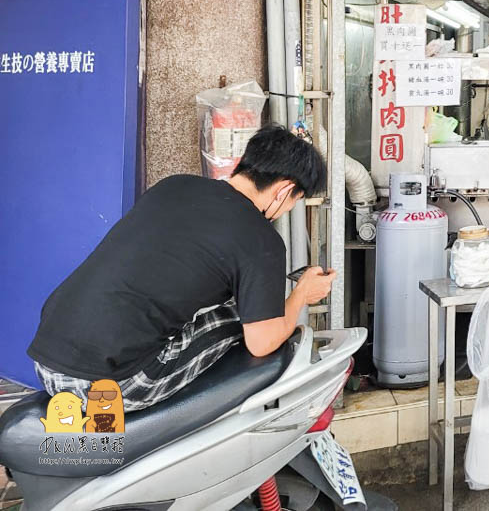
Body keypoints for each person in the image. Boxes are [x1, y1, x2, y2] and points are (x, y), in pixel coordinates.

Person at [28, 126, 334, 412]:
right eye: (296, 199)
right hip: (107, 385)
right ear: (284, 189)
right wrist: (301, 295)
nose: (291, 207)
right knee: (242, 318)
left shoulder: (173, 186)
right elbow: (262, 342)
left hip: (47, 360)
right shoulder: (260, 238)